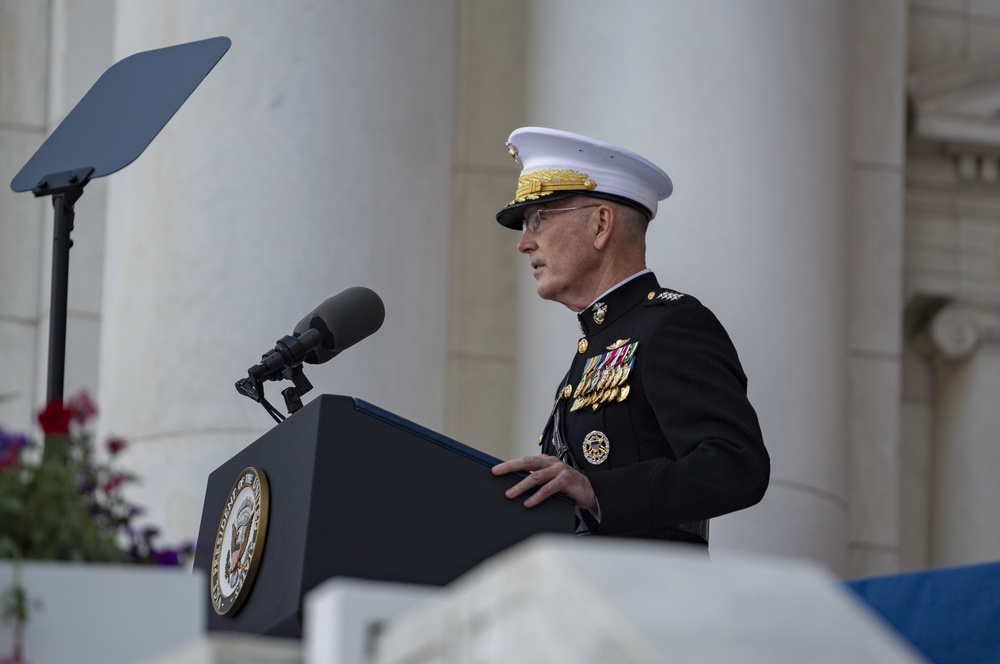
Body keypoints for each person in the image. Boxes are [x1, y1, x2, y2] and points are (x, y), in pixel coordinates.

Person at [490, 127, 769, 545]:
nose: (525, 243)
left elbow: (737, 465)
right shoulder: (595, 345)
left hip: (649, 597)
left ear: (601, 224)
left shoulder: (671, 326)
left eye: (538, 219)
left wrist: (598, 491)